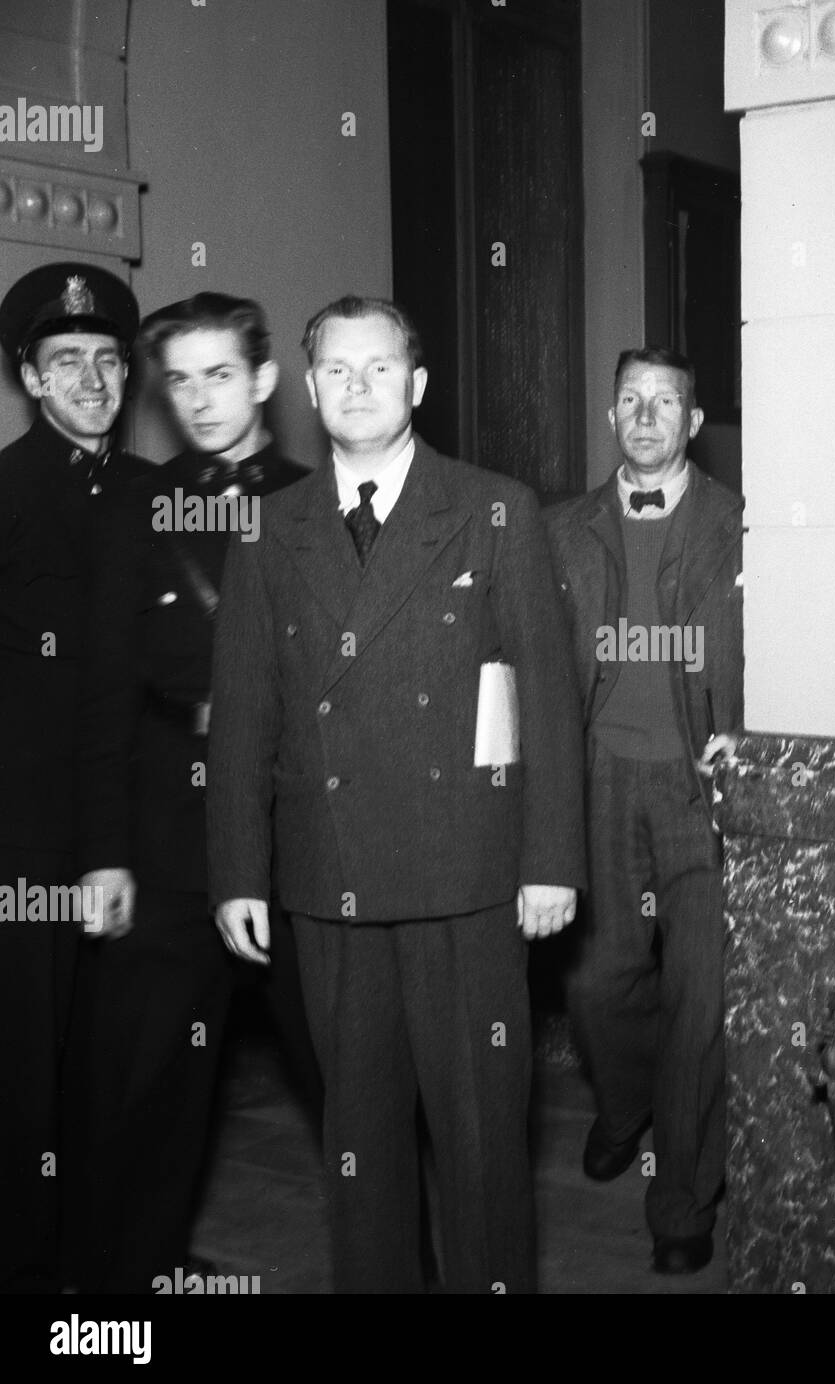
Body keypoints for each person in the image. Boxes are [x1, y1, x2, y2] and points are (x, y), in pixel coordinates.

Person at [206, 295, 585, 1293]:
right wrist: (237, 870)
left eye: (380, 368)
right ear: (309, 389)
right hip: (330, 880)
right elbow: (244, 711)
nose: (359, 386)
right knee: (359, 1142)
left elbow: (547, 700)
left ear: (416, 386)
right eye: (338, 369)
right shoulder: (268, 528)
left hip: (468, 876)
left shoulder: (494, 508)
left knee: (480, 1139)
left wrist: (551, 861)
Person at [62, 293, 318, 1293]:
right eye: (180, 380)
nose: (201, 399)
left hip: (298, 820)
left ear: (262, 380)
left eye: (221, 375)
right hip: (168, 821)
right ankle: (125, 1284)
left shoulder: (321, 496)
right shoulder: (133, 503)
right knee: (146, 1080)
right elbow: (104, 690)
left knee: (351, 1077)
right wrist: (101, 852)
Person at [544, 346, 744, 1275]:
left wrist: (749, 731)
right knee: (595, 985)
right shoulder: (560, 529)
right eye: (631, 400)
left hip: (704, 786)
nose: (648, 415)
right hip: (600, 777)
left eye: (666, 400)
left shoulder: (743, 524)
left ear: (693, 422)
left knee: (700, 1003)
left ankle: (682, 1204)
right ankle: (625, 1109)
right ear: (612, 418)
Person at [0, 262, 149, 1291]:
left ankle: (111, 1258)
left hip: (146, 819)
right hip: (30, 830)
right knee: (27, 1062)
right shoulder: (3, 495)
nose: (92, 380)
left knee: (127, 1059)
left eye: (106, 359)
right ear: (29, 375)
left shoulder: (158, 497)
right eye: (67, 361)